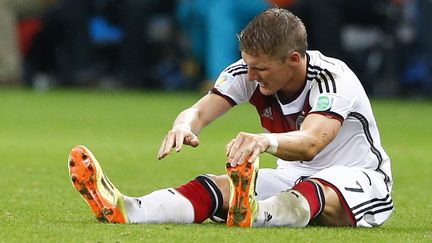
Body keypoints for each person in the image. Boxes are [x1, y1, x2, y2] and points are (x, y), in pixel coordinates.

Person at [69, 8, 393, 228]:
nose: (250, 76)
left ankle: (258, 212)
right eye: (247, 64)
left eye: (260, 69)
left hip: (359, 180)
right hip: (293, 176)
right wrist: (183, 125)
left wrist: (264, 141)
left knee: (318, 190)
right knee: (215, 188)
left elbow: (310, 143)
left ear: (294, 59)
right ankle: (129, 208)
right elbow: (200, 109)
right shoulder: (249, 72)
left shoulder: (333, 79)